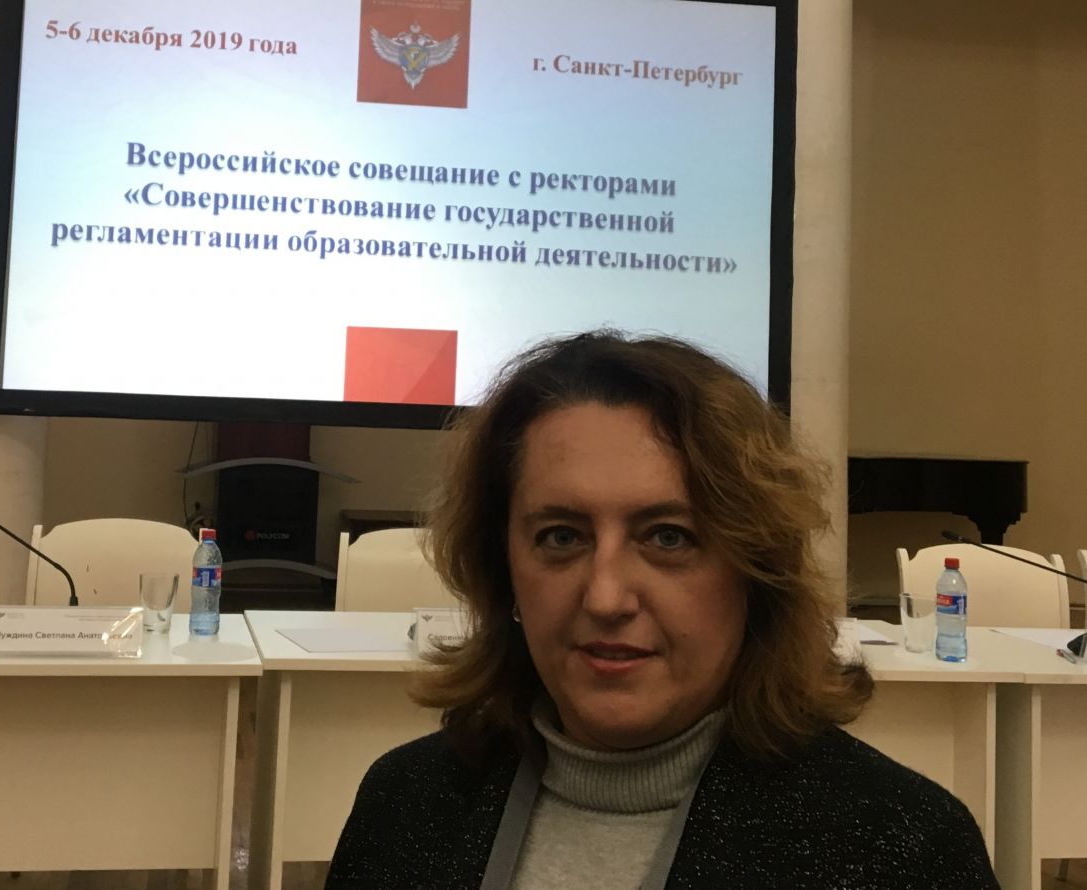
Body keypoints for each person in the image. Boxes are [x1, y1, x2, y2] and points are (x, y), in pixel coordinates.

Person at [325, 331, 999, 889]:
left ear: (754, 570)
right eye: (561, 537)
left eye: (668, 538)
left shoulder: (899, 847)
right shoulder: (404, 804)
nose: (606, 598)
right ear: (503, 571)